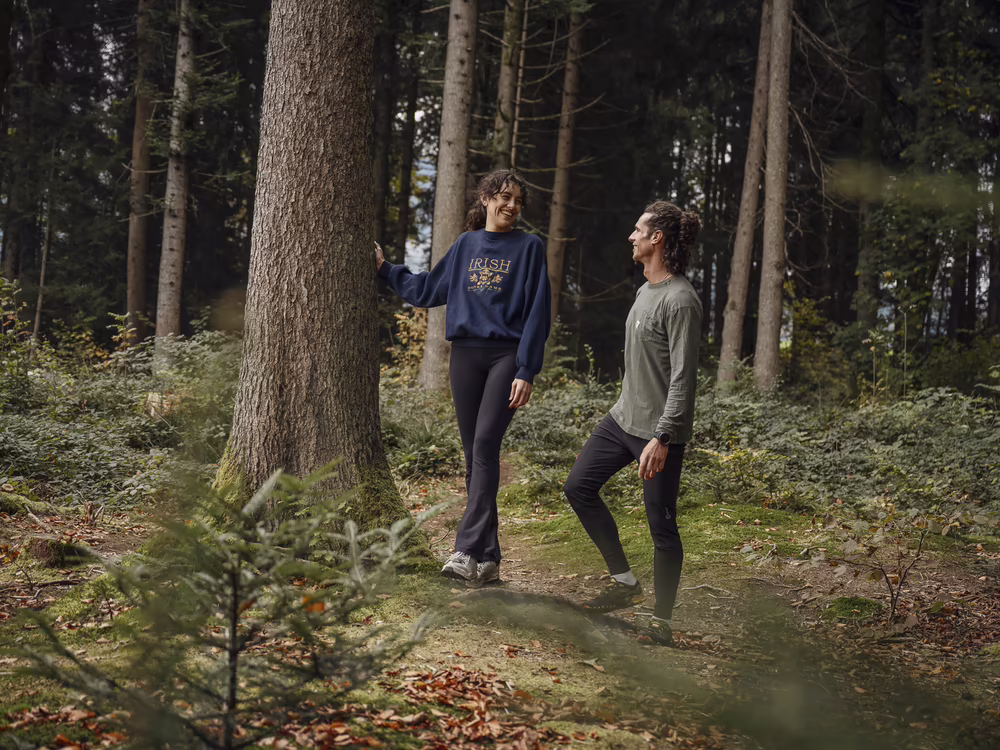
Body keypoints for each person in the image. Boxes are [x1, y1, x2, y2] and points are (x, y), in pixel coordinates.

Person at [376, 169, 551, 587]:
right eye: (505, 197)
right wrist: (385, 269)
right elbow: (427, 290)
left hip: (505, 356)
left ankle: (466, 550)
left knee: (487, 445)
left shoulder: (530, 248)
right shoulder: (466, 245)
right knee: (474, 455)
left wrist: (527, 368)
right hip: (466, 356)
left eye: (518, 201)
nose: (512, 206)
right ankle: (489, 556)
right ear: (487, 198)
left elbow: (538, 312)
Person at [563, 200, 702, 646]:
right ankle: (624, 582)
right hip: (622, 419)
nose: (632, 236)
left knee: (661, 525)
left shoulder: (681, 300)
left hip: (658, 433)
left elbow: (682, 378)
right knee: (578, 487)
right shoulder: (646, 289)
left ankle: (661, 623)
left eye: (638, 230)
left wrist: (662, 437)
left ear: (657, 238)